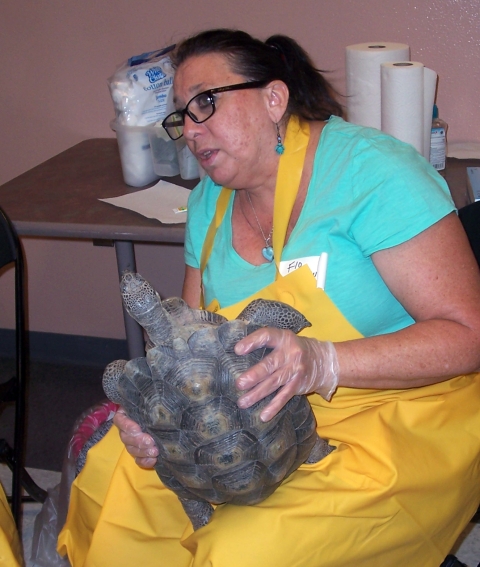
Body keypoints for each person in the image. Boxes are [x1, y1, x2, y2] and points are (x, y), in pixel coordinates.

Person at [57, 29, 480, 567]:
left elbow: (471, 335)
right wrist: (156, 418)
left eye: (205, 103)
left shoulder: (373, 171)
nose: (190, 129)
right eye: (181, 116)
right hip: (258, 424)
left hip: (407, 410)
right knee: (112, 494)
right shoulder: (209, 204)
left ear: (274, 97)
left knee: (239, 554)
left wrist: (322, 360)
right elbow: (193, 348)